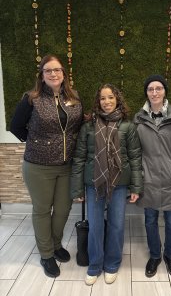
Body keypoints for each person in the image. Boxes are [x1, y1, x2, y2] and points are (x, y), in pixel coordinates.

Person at [10, 54, 83, 278]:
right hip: (38, 166)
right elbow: (16, 127)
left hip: (66, 165)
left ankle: (56, 244)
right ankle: (46, 254)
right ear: (42, 76)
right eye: (48, 70)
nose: (53, 74)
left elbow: (78, 126)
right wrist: (36, 142)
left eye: (57, 70)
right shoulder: (31, 99)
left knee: (63, 209)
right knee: (42, 210)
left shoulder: (74, 97)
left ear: (64, 74)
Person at [70, 83, 143, 286]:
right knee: (95, 226)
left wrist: (136, 187)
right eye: (103, 98)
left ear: (117, 99)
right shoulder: (88, 126)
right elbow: (79, 159)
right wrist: (77, 189)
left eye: (110, 97)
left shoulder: (128, 126)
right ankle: (95, 264)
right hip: (94, 184)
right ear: (98, 101)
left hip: (119, 184)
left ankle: (111, 264)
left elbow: (135, 158)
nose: (107, 101)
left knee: (117, 225)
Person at [134, 75, 171, 279]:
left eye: (158, 88)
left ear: (164, 91)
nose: (155, 92)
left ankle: (170, 256)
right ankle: (155, 256)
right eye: (151, 89)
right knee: (150, 220)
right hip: (148, 179)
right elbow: (135, 151)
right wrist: (140, 173)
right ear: (146, 93)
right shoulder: (139, 119)